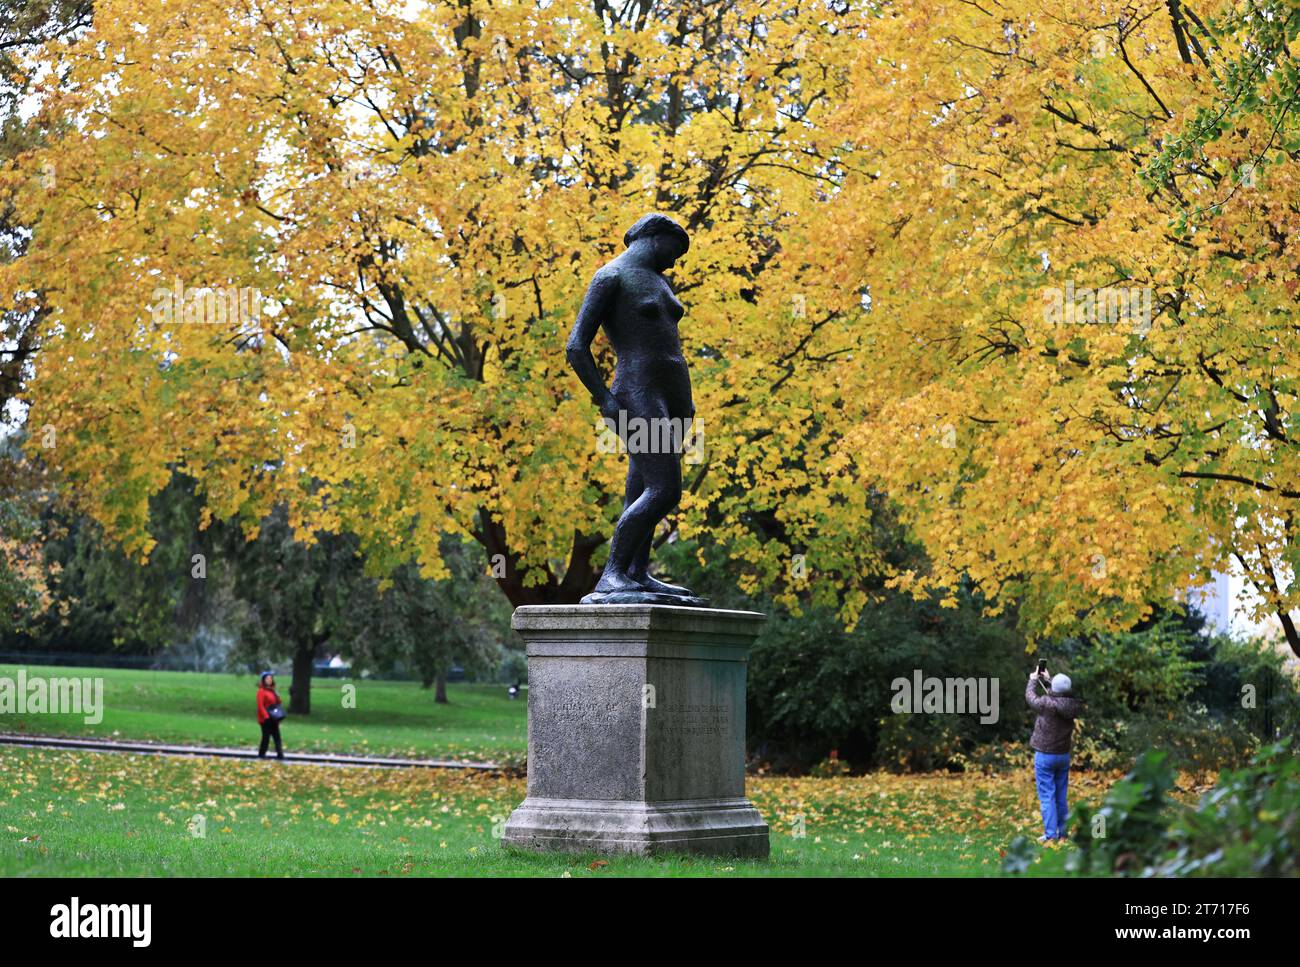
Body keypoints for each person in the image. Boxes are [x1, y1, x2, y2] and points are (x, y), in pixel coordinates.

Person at [565, 213, 700, 602]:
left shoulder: (659, 280)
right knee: (665, 489)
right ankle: (612, 575)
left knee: (641, 486)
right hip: (637, 393)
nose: (675, 260)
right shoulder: (611, 277)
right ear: (654, 236)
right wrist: (604, 399)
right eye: (675, 250)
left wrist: (685, 404)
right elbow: (577, 346)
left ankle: (638, 572)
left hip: (672, 398)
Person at [1025, 667, 1083, 843]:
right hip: (1063, 755)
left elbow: (1030, 697)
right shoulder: (1072, 705)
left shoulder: (1046, 704)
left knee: (1047, 797)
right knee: (1060, 796)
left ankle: (1051, 836)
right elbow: (1059, 695)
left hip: (1045, 756)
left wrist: (1033, 679)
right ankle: (1063, 834)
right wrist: (1050, 681)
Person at [256, 671, 285, 760]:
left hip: (274, 717)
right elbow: (260, 705)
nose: (269, 680)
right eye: (267, 678)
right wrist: (265, 716)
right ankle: (261, 754)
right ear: (263, 680)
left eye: (270, 678)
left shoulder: (273, 691)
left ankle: (280, 755)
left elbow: (278, 702)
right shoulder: (261, 691)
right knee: (266, 737)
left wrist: (278, 696)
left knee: (277, 736)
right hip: (266, 718)